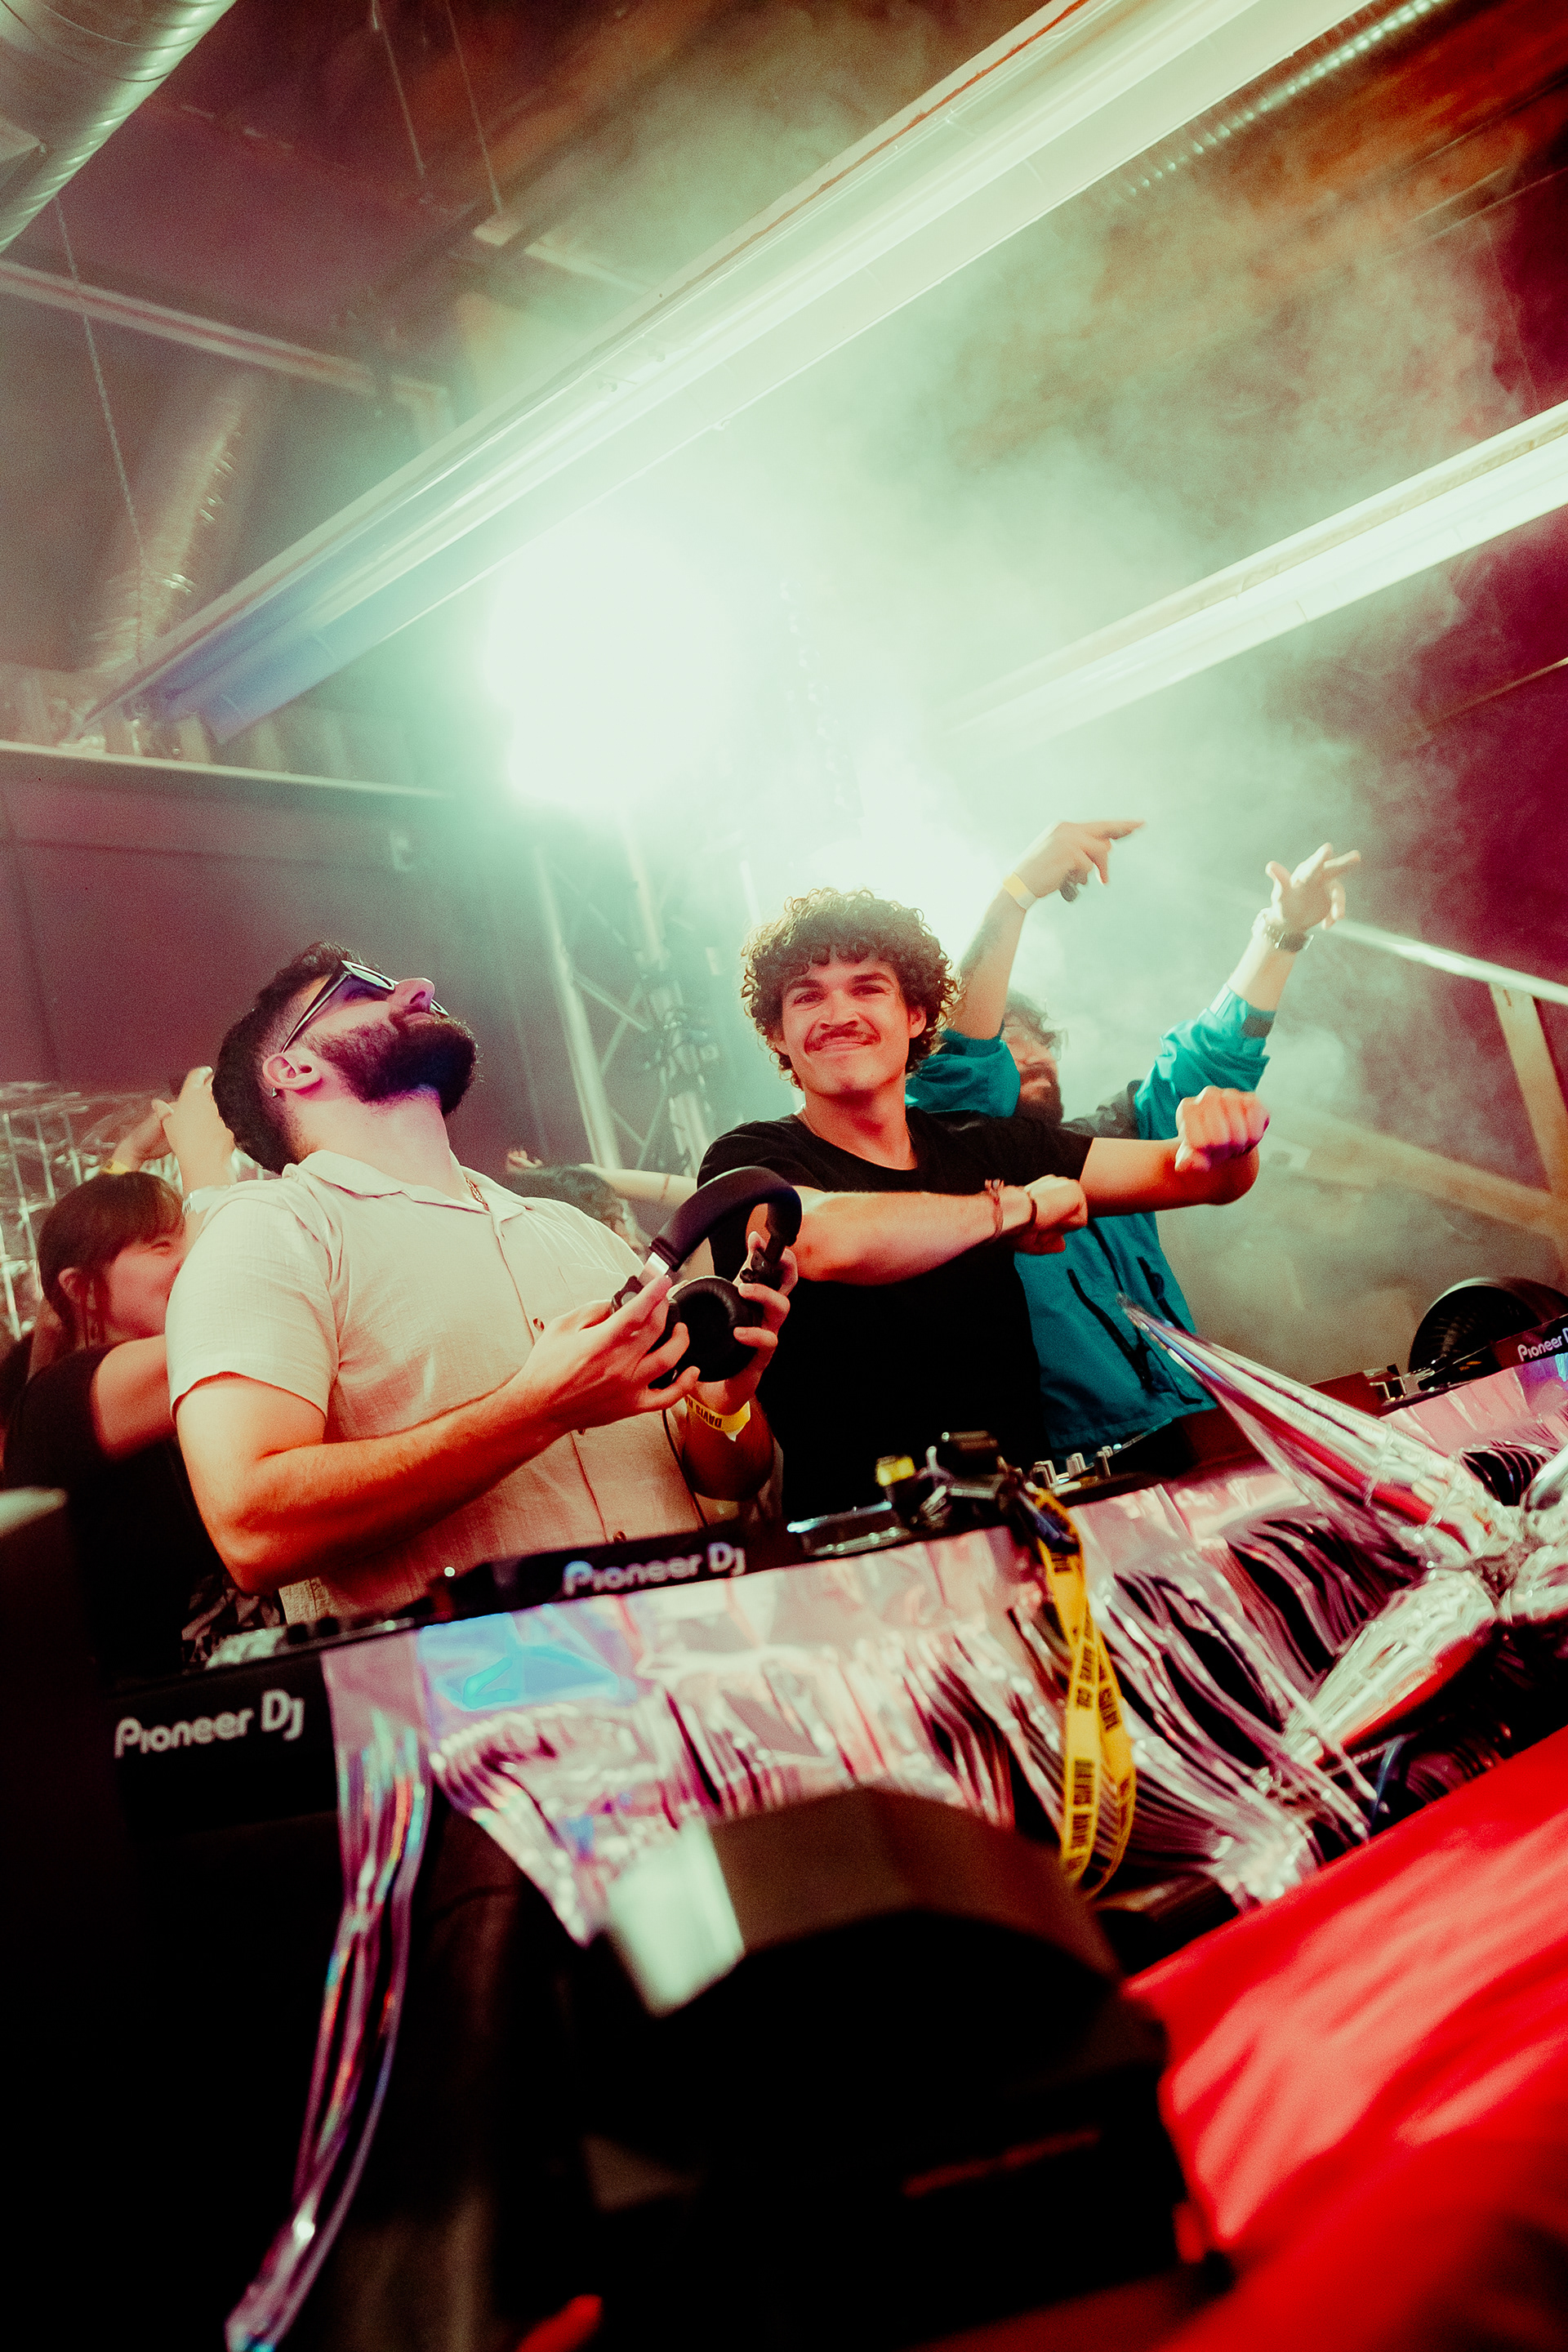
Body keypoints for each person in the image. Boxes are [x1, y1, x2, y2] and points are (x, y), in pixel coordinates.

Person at [167, 945, 793, 1622]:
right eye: (359, 993)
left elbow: (731, 1477)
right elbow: (254, 1531)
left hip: (686, 1655)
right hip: (471, 1685)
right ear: (293, 1068)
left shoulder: (574, 1229)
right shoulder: (268, 1231)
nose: (417, 986)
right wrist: (536, 1410)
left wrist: (723, 1401)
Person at [697, 889, 1267, 1526]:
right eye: (807, 996)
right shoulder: (748, 1158)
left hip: (1024, 1530)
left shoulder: (988, 1145)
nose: (839, 1014)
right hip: (863, 1550)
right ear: (777, 1032)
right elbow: (818, 1238)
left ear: (917, 1015)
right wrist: (1008, 1211)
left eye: (868, 988)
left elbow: (1204, 1177)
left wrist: (1230, 1136)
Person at [910, 822, 1360, 1469]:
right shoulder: (954, 1164)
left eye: (1041, 1038)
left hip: (1198, 1427)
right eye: (1007, 1038)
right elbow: (957, 1064)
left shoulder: (1108, 1142)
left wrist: (1281, 931)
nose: (1033, 1053)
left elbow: (1209, 1060)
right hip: (1075, 1465)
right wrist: (1015, 895)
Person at [2, 1069, 269, 1679]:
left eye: (183, 1238)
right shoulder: (59, 1398)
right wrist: (203, 1162)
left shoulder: (146, 1388)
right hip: (146, 1719)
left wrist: (127, 1157)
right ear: (79, 1289)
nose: (186, 1256)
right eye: (160, 1246)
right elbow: (223, 1318)